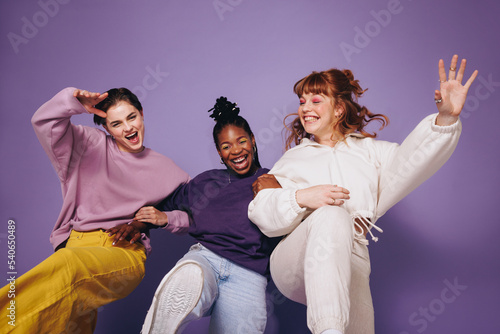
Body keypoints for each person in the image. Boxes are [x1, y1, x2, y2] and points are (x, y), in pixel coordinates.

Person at [248, 55, 478, 334]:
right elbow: (265, 217)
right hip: (295, 260)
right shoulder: (293, 158)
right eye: (302, 101)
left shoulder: (372, 153)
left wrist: (445, 118)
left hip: (351, 255)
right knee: (331, 215)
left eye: (316, 100)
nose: (305, 108)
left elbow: (411, 161)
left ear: (339, 109)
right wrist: (302, 197)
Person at [0, 87, 189, 333]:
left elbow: (196, 214)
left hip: (122, 251)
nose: (128, 128)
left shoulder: (166, 168)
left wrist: (164, 218)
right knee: (70, 324)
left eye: (132, 117)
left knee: (69, 266)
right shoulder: (88, 145)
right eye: (116, 123)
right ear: (106, 128)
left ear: (141, 114)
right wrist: (73, 102)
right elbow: (43, 121)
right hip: (77, 242)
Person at [139, 97, 280, 334]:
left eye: (241, 141)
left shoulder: (272, 180)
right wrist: (154, 219)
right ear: (219, 152)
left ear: (253, 140)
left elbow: (294, 215)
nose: (236, 150)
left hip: (250, 273)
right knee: (190, 278)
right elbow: (160, 200)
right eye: (226, 146)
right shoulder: (206, 181)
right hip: (207, 259)